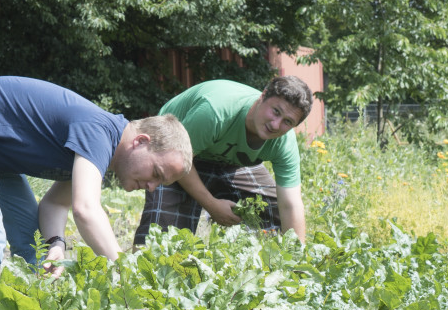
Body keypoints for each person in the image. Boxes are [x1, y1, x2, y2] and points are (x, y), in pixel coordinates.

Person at [0, 76, 193, 296]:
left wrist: (56, 243)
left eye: (161, 183)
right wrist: (125, 275)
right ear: (141, 141)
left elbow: (54, 203)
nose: (152, 187)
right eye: (156, 173)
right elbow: (85, 209)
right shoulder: (100, 131)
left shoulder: (99, 146)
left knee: (34, 246)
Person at [133, 76, 313, 245]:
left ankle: (265, 265)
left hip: (229, 161)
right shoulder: (215, 112)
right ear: (263, 95)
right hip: (173, 150)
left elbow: (290, 204)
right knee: (160, 238)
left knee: (275, 213)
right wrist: (212, 205)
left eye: (287, 121)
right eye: (275, 111)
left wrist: (296, 260)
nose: (275, 125)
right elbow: (177, 159)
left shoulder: (284, 142)